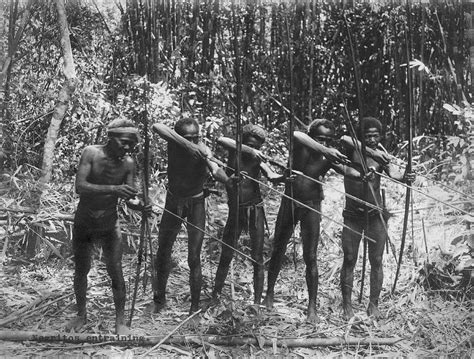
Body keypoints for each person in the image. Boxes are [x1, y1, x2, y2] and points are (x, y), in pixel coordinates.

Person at [264, 119, 363, 324]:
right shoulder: (302, 144)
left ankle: (312, 308)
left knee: (311, 256)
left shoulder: (329, 156)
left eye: (327, 140)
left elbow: (349, 171)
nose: (324, 143)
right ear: (311, 136)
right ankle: (269, 294)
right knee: (278, 249)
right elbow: (297, 135)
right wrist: (325, 149)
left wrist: (361, 172)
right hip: (290, 201)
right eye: (320, 138)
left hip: (312, 204)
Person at [66, 118, 150, 335]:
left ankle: (120, 322)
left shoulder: (129, 163)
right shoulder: (91, 153)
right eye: (124, 142)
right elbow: (80, 187)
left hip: (109, 222)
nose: (128, 147)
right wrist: (115, 189)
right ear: (110, 138)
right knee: (82, 268)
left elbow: (129, 197)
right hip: (84, 220)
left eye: (132, 144)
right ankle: (81, 314)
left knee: (115, 269)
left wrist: (140, 205)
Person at [148, 117, 230, 315]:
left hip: (196, 203)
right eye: (188, 138)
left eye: (196, 138)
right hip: (173, 201)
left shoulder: (203, 149)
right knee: (163, 251)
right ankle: (159, 301)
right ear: (178, 137)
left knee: (194, 256)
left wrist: (228, 180)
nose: (193, 142)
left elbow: (215, 169)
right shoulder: (175, 145)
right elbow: (157, 126)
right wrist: (188, 145)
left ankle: (194, 308)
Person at [340, 116, 415, 320]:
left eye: (375, 135)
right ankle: (347, 305)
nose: (372, 139)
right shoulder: (350, 149)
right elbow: (345, 139)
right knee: (349, 259)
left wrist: (405, 175)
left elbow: (394, 173)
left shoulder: (382, 154)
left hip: (375, 214)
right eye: (367, 136)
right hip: (353, 214)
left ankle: (373, 305)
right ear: (360, 137)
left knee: (377, 260)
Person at [212, 124, 283, 306]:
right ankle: (215, 297)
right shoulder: (234, 151)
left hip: (255, 209)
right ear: (242, 142)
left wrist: (284, 177)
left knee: (257, 258)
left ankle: (258, 303)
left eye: (258, 146)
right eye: (251, 144)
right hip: (236, 210)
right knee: (226, 254)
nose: (255, 149)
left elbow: (272, 176)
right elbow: (221, 139)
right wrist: (249, 150)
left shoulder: (258, 158)